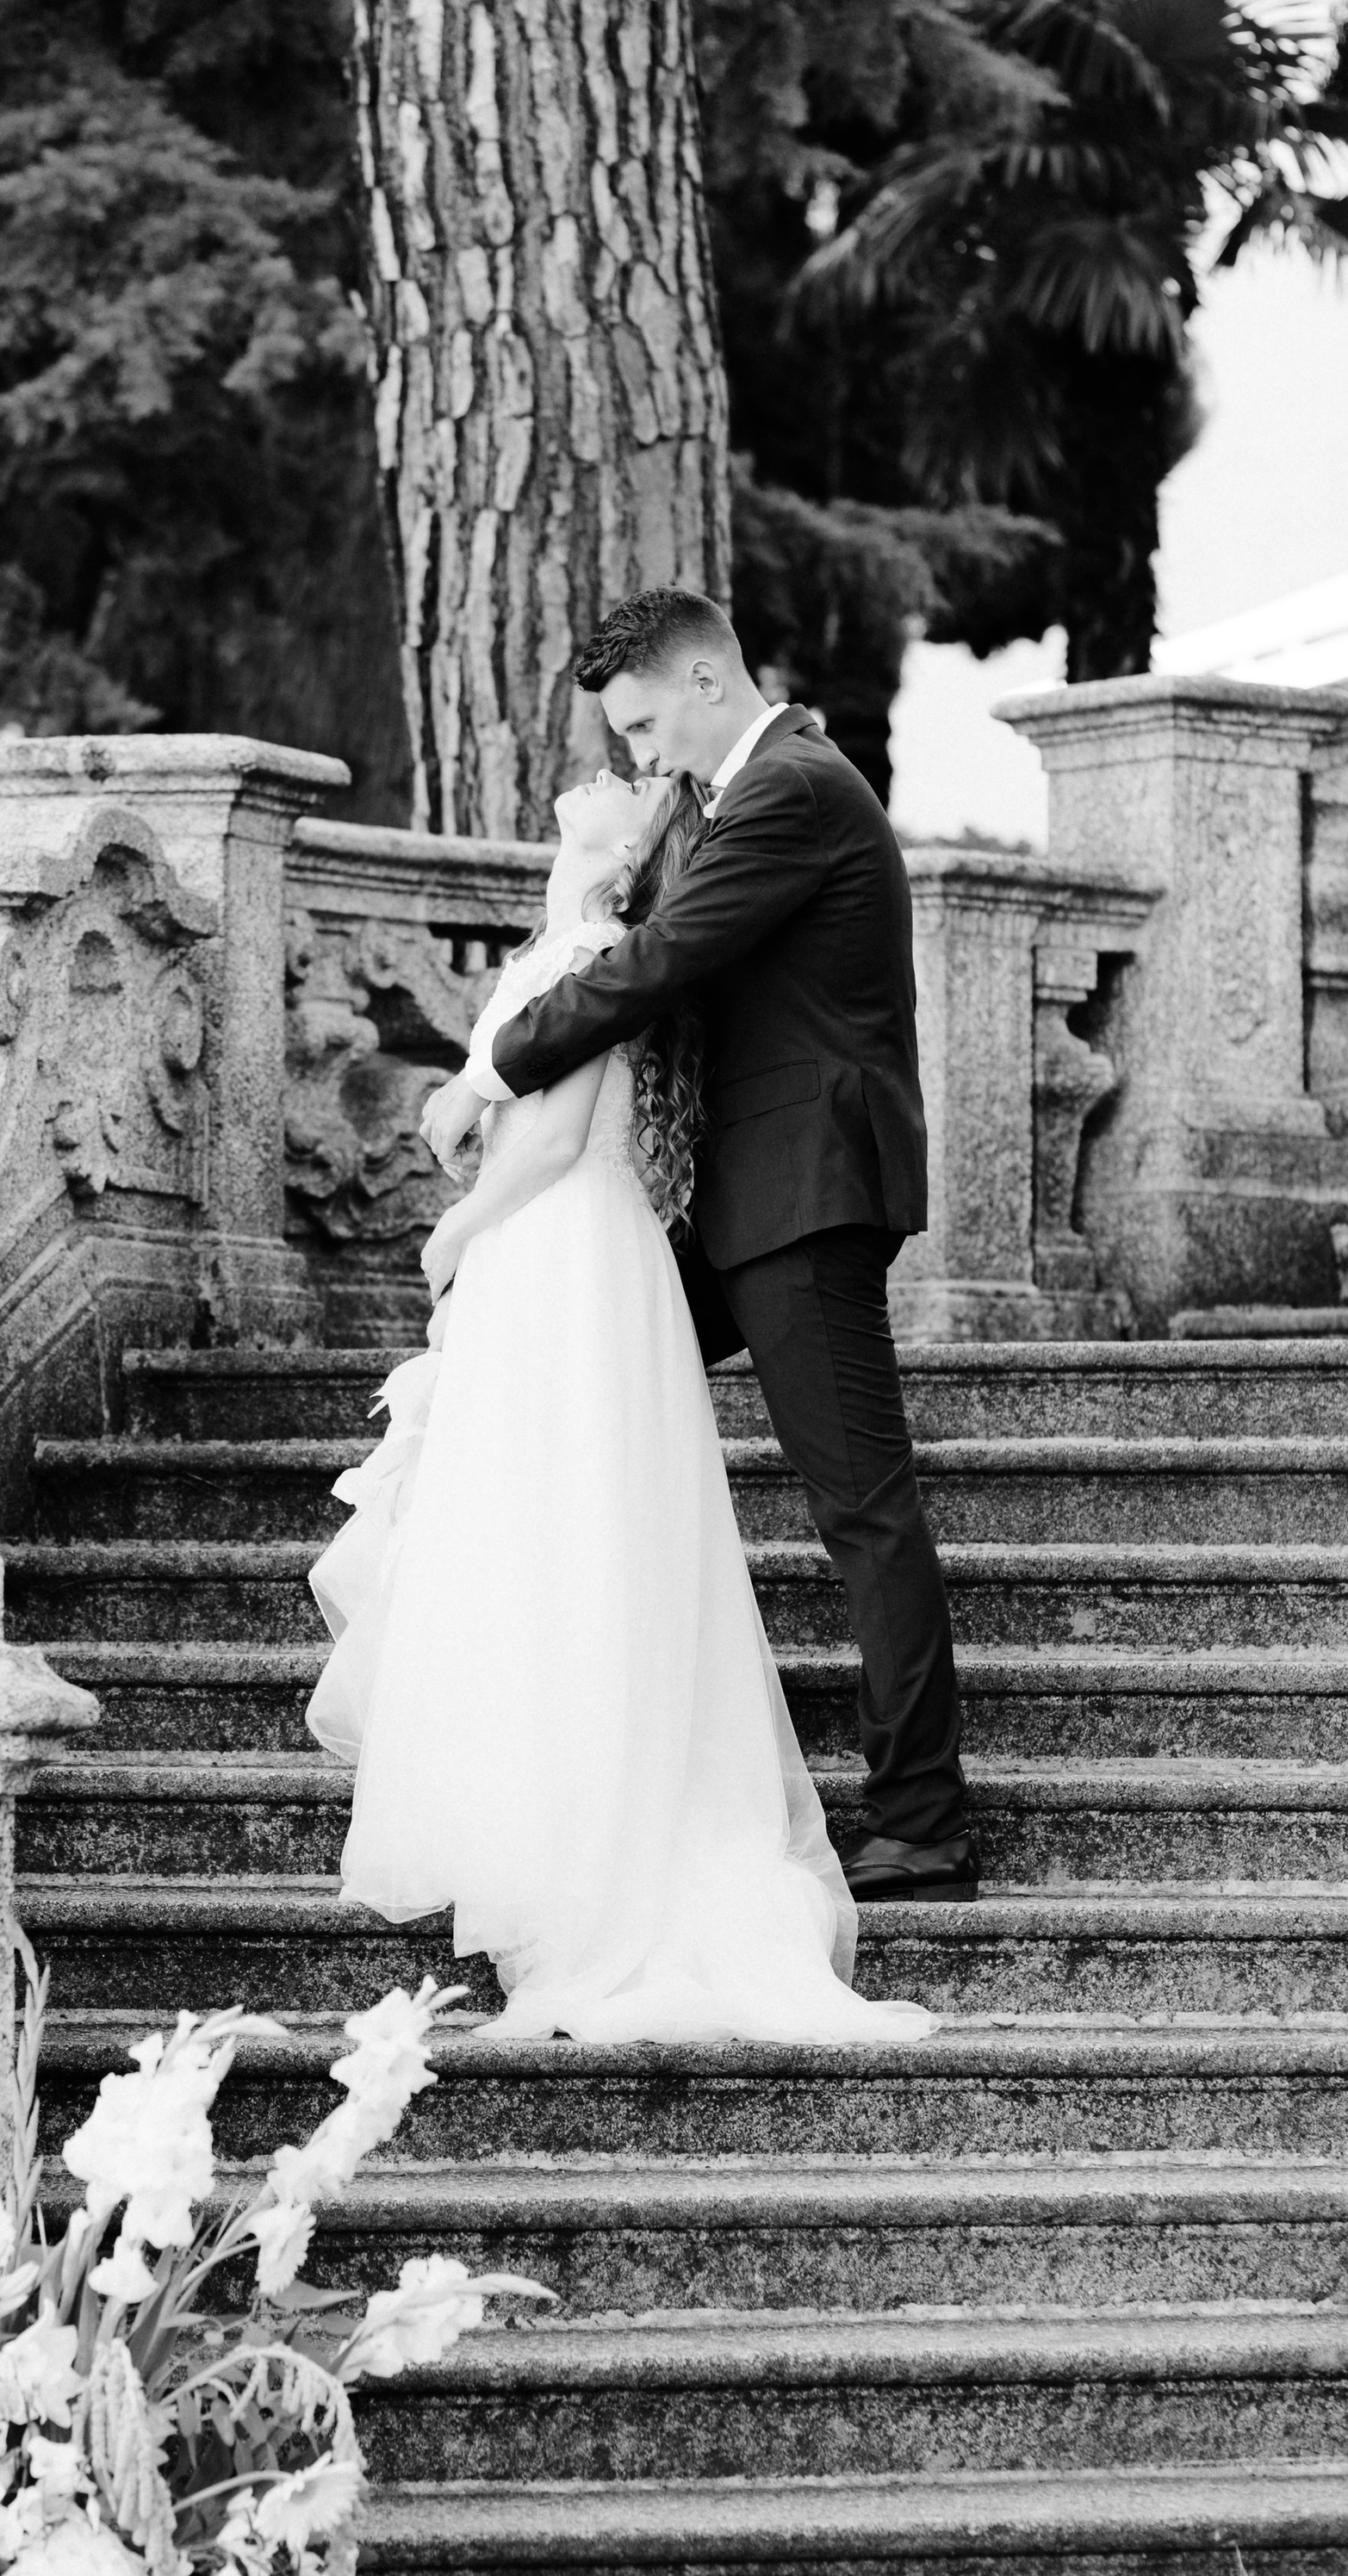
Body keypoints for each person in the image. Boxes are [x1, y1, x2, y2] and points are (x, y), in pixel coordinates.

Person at [304, 750, 936, 2047]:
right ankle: (545, 1794)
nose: (605, 773)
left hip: (562, 1246)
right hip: (568, 1254)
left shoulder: (599, 948)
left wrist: (460, 1223)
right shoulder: (573, 943)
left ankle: (635, 1833)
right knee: (540, 1524)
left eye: (630, 766)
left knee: (580, 1513)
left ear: (634, 842)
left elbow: (549, 1130)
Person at [416, 585, 976, 1908]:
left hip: (805, 1197)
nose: (641, 754)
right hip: (742, 1203)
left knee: (864, 1509)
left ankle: (922, 1826)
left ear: (710, 680)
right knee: (575, 1354)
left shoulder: (790, 788)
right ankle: (592, 1755)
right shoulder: (747, 790)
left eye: (649, 720)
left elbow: (661, 963)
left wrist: (487, 1070)